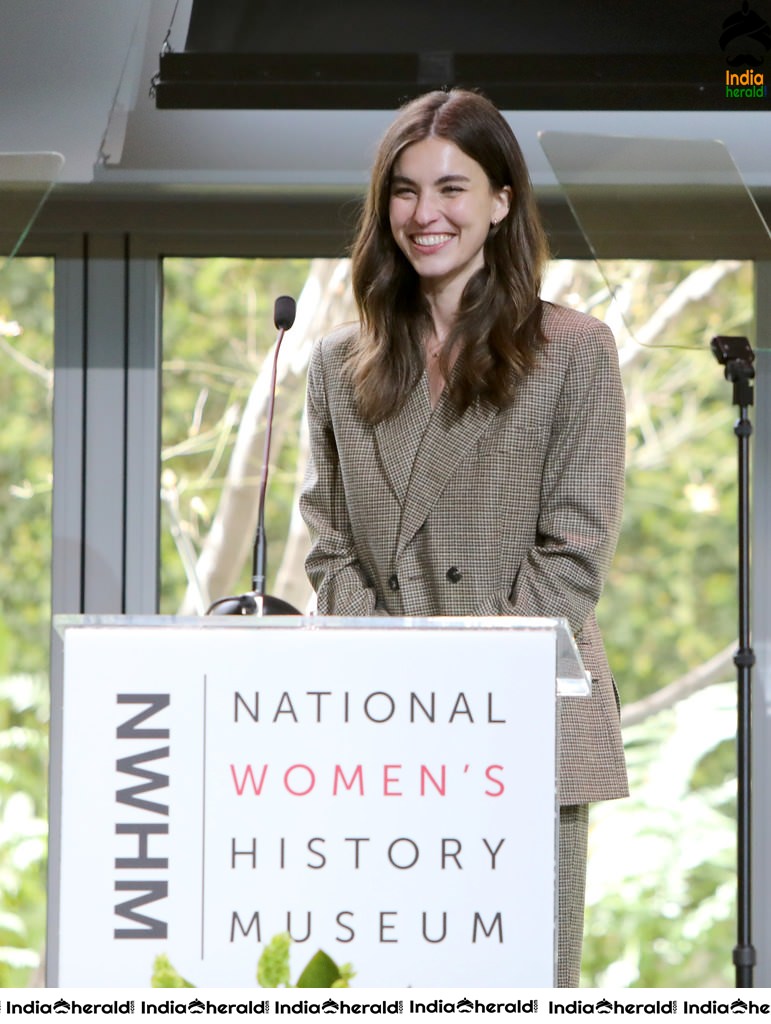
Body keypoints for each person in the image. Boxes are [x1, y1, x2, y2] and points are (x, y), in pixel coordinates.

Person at [299, 88, 627, 987]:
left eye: (451, 188)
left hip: (523, 718)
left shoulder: (575, 349)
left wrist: (471, 688)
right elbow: (326, 547)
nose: (425, 213)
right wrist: (401, 679)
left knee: (520, 982)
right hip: (381, 721)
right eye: (403, 191)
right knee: (383, 981)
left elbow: (573, 552)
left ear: (500, 201)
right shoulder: (335, 363)